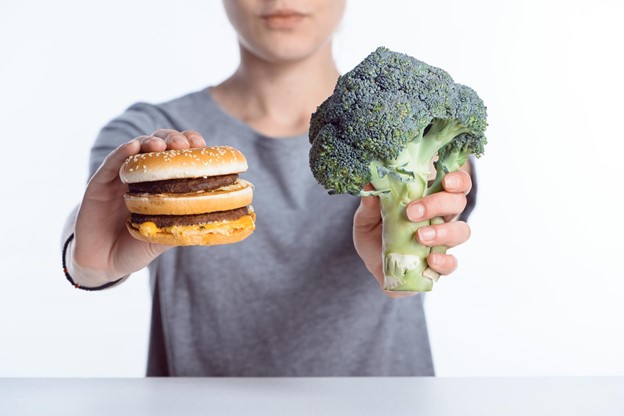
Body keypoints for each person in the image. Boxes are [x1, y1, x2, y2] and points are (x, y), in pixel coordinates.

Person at [62, 0, 474, 376]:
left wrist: (414, 244)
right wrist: (89, 263)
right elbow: (87, 242)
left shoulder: (423, 136)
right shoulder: (151, 134)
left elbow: (446, 206)